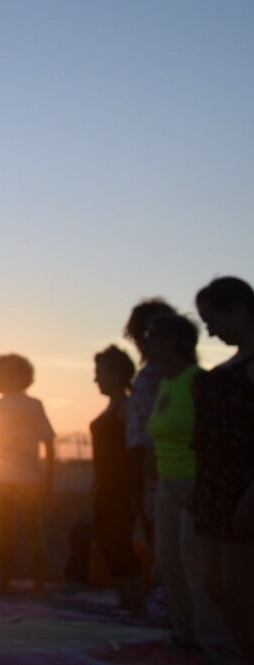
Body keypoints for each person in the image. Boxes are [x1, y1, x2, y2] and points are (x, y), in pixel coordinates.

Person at [143, 313, 238, 661]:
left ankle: (217, 647)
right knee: (170, 567)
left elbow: (215, 439)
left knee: (197, 571)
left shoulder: (199, 382)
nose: (145, 341)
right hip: (167, 487)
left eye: (151, 334)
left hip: (194, 484)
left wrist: (201, 485)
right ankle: (185, 637)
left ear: (172, 341)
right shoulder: (165, 384)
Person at [191, 277, 254, 662]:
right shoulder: (227, 369)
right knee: (217, 586)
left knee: (240, 588)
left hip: (243, 490)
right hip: (216, 488)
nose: (210, 331)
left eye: (213, 320)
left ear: (241, 311)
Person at [0, 353, 55, 594]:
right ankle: (6, 580)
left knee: (33, 529)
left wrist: (49, 475)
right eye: (4, 372)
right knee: (5, 530)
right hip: (2, 477)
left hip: (28, 477)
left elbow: (48, 441)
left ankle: (38, 583)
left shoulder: (33, 405)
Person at [89, 345, 145, 616]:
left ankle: (137, 604)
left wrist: (135, 490)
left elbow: (136, 450)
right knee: (107, 544)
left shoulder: (127, 407)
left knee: (120, 545)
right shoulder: (113, 407)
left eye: (99, 373)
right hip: (105, 487)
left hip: (121, 488)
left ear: (115, 373)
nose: (95, 379)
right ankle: (126, 600)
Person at [123, 298, 176, 545]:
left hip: (159, 468)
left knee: (165, 540)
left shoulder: (164, 375)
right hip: (147, 468)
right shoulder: (147, 376)